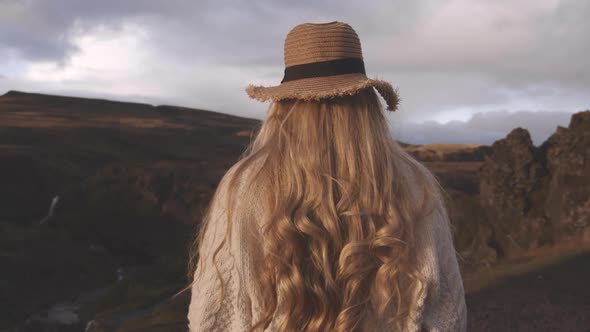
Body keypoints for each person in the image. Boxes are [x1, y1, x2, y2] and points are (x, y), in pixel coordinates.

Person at [185, 21, 467, 332]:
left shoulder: (246, 185)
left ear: (284, 104)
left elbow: (212, 315)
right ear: (367, 103)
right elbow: (447, 314)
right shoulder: (416, 184)